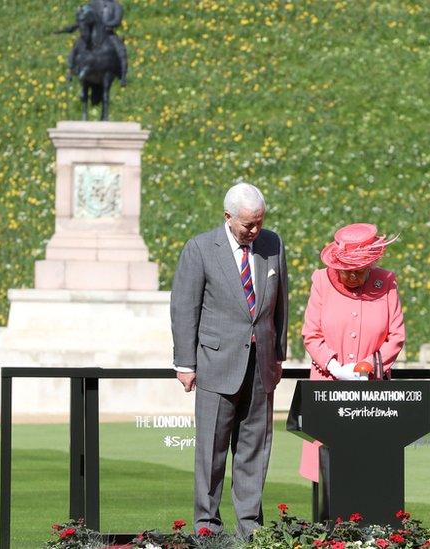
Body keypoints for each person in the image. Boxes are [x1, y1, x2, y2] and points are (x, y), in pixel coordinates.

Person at [170, 182, 289, 537]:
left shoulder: (273, 244)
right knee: (212, 451)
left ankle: (250, 528)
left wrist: (278, 355)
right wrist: (185, 363)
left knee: (255, 449)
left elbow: (281, 302)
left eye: (259, 222)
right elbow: (183, 307)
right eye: (248, 225)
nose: (255, 231)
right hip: (215, 364)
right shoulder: (201, 248)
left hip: (261, 365)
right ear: (227, 217)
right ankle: (207, 527)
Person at [299, 223, 405, 484]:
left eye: (358, 271)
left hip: (372, 393)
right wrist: (335, 367)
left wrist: (366, 367)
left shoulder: (386, 282)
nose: (352, 277)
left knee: (368, 473)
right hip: (327, 388)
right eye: (346, 271)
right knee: (328, 476)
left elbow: (396, 336)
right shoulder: (321, 281)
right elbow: (311, 334)